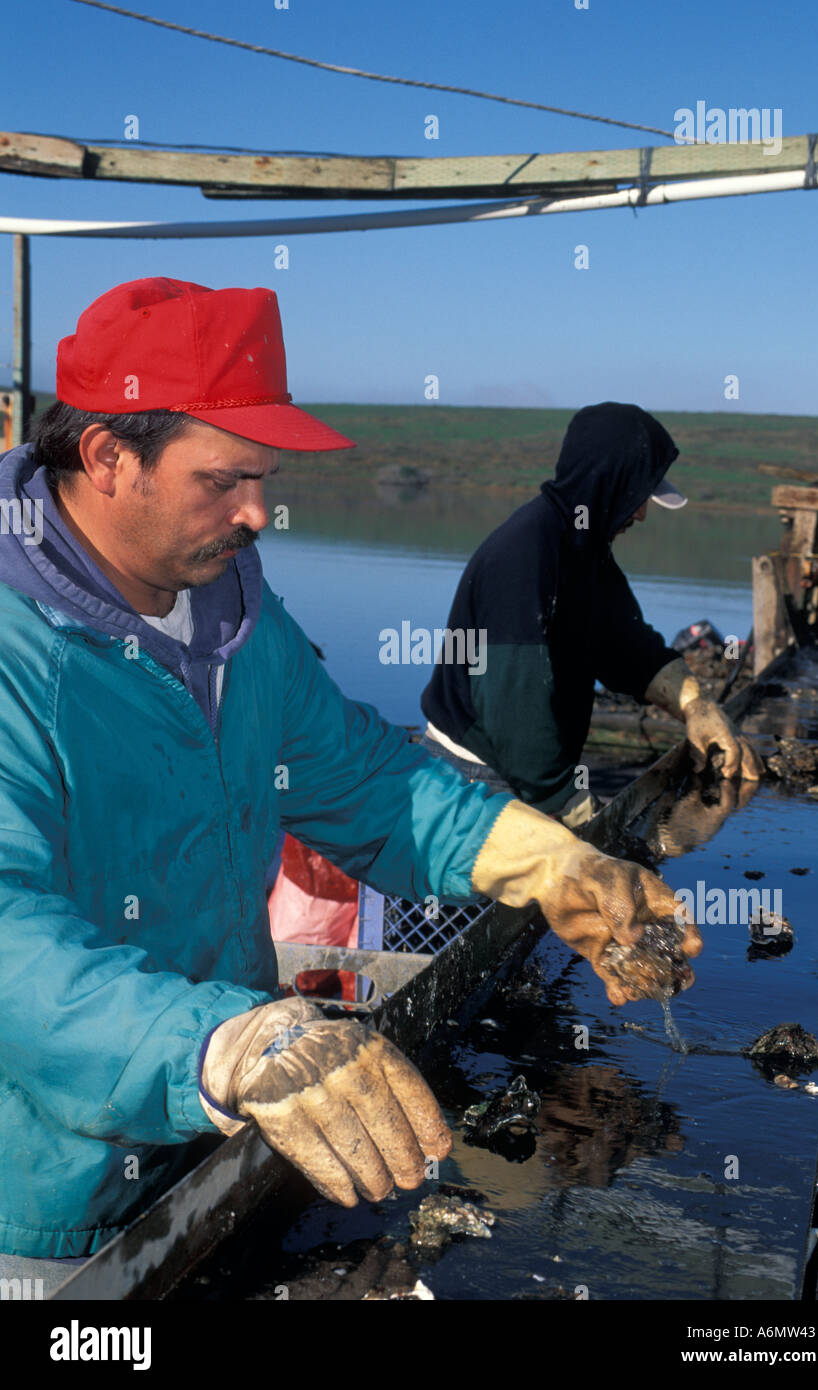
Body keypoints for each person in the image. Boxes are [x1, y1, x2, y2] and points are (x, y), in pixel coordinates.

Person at [0, 282, 699, 1285]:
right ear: (109, 456)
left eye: (264, 478)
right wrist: (224, 1046)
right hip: (39, 1199)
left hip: (217, 1128)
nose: (256, 512)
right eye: (224, 480)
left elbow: (360, 779)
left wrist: (545, 859)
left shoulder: (232, 608)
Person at [420, 402, 762, 825]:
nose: (641, 513)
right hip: (478, 779)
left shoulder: (583, 547)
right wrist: (574, 809)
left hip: (524, 772)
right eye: (637, 497)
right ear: (607, 485)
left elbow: (626, 646)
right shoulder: (528, 555)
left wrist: (696, 705)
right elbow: (518, 716)